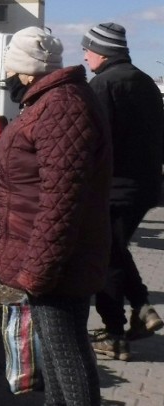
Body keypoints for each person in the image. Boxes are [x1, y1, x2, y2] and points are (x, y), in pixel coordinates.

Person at [0, 27, 112, 405]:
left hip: (58, 263)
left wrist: (38, 269)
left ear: (24, 71)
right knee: (57, 360)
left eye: (11, 72)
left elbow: (61, 202)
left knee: (67, 359)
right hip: (52, 259)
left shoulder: (61, 106)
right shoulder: (51, 102)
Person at [82, 22, 164, 359]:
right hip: (145, 186)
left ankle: (115, 334)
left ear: (101, 52)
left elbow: (94, 142)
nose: (85, 57)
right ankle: (142, 310)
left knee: (106, 257)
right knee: (115, 250)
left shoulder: (103, 85)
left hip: (115, 187)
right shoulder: (145, 82)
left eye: (87, 50)